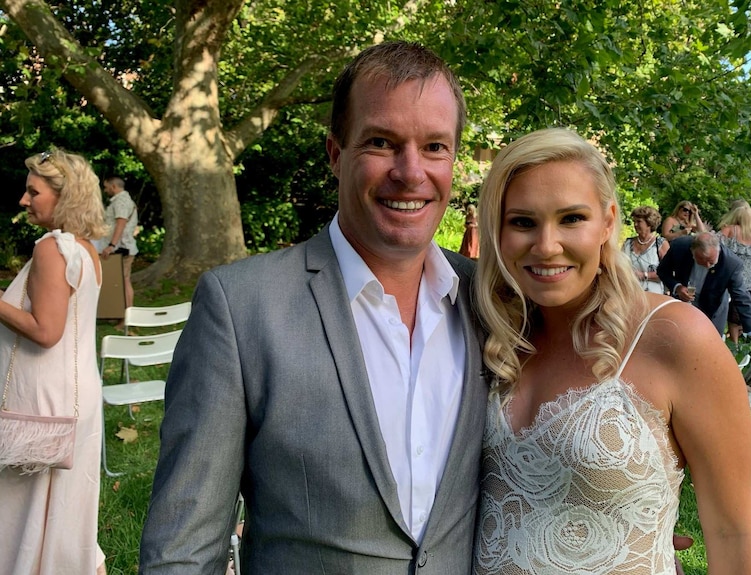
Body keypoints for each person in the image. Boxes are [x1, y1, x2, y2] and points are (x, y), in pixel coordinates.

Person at [138, 41, 487, 574]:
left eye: (435, 146)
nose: (411, 171)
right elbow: (183, 547)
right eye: (381, 142)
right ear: (334, 153)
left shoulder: (491, 302)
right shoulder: (241, 308)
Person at [472, 128, 751, 574]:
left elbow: (733, 531)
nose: (547, 245)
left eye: (571, 218)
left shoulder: (675, 336)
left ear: (608, 222)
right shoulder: (490, 330)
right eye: (522, 222)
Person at [0, 149, 108, 574]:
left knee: (22, 509)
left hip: (43, 405)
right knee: (68, 515)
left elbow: (46, 332)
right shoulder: (86, 250)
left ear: (64, 197)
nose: (24, 201)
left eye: (33, 192)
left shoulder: (50, 249)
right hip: (75, 399)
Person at [657, 231, 751, 337]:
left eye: (711, 261)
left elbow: (742, 297)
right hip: (682, 307)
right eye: (701, 260)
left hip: (713, 309)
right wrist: (677, 287)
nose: (707, 265)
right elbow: (662, 271)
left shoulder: (731, 264)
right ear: (692, 252)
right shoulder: (679, 247)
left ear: (718, 251)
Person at [718, 203, 751, 342]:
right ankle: (749, 337)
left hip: (731, 275)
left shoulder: (729, 230)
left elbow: (714, 245)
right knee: (746, 309)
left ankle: (734, 341)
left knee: (732, 311)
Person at [100, 176, 138, 310]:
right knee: (120, 281)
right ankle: (119, 313)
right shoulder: (121, 201)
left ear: (113, 186)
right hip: (120, 247)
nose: (105, 190)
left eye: (106, 187)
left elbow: (120, 224)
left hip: (122, 248)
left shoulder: (121, 201)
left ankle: (127, 317)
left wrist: (111, 246)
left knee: (124, 281)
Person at [622, 206, 668, 293]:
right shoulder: (627, 243)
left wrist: (645, 275)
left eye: (639, 221)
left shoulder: (660, 244)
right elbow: (619, 266)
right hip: (630, 292)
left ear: (649, 223)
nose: (635, 224)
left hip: (653, 295)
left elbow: (668, 272)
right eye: (634, 221)